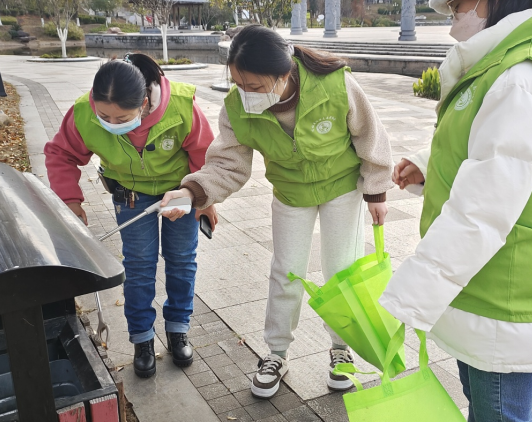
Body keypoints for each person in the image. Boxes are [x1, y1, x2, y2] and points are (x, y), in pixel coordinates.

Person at [379, 0, 532, 423]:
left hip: (505, 290)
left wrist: (413, 293)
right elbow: (500, 167)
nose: (452, 14)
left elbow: (484, 209)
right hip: (491, 281)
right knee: (486, 408)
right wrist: (433, 174)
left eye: (458, 2)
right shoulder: (505, 63)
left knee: (497, 415)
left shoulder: (519, 75)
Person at [160, 25, 394, 399]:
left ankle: (341, 349)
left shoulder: (334, 84)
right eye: (238, 83)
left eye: (254, 86)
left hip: (341, 188)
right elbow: (228, 165)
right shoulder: (237, 108)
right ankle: (276, 354)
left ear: (285, 75)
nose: (245, 93)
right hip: (290, 193)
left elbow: (370, 133)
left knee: (342, 272)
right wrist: (191, 192)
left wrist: (377, 189)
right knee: (286, 273)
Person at [45, 53, 217, 378]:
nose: (113, 124)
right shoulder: (83, 112)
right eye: (104, 115)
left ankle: (178, 329)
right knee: (138, 266)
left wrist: (203, 198)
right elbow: (60, 153)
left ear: (144, 103)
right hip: (130, 195)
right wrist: (70, 200)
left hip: (178, 193)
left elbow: (202, 151)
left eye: (123, 118)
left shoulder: (180, 105)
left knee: (181, 260)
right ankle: (142, 339)